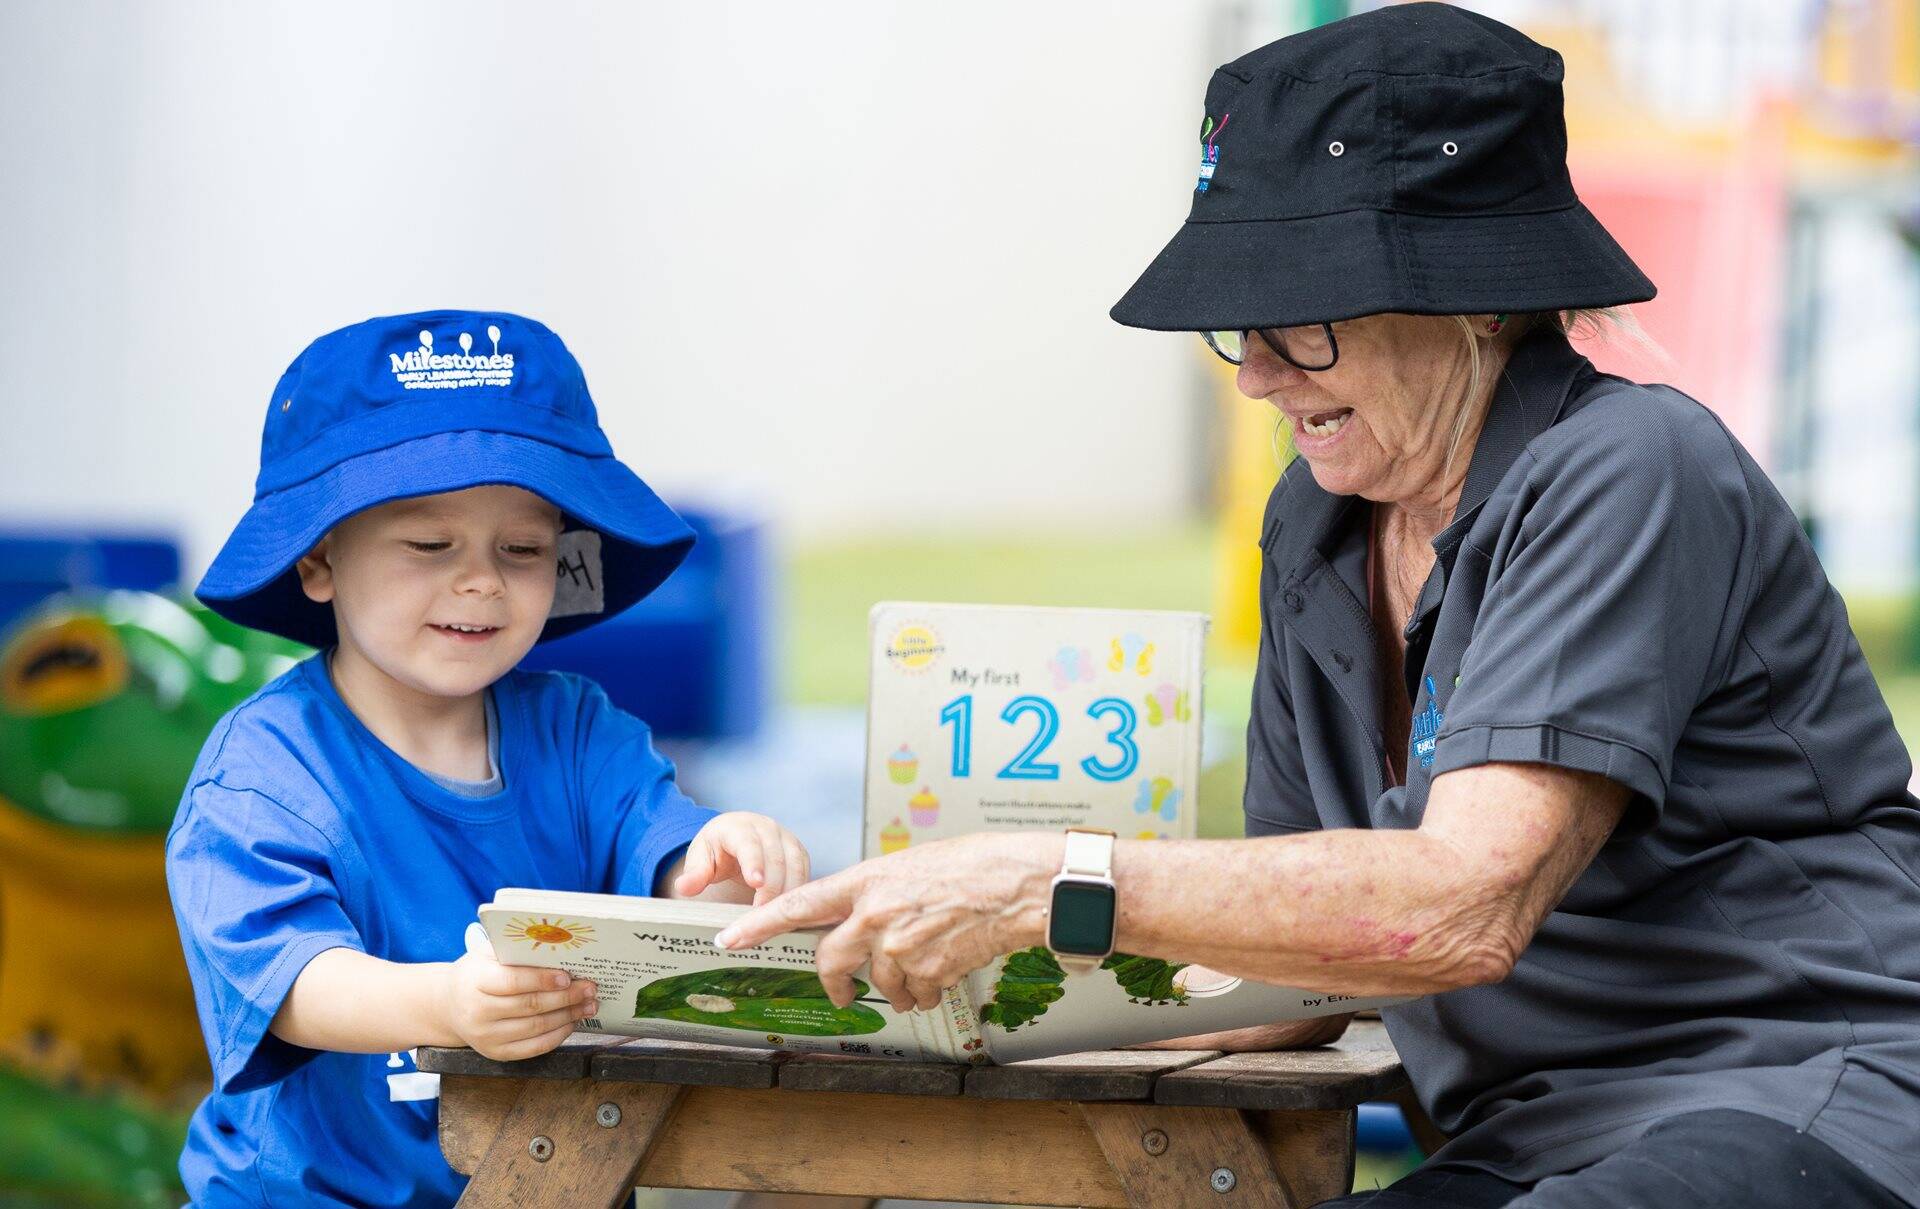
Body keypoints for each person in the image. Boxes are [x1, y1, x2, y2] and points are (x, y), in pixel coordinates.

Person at [717, 7, 1920, 1206]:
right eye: (1244, 326)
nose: (1255, 375)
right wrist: (927, 990)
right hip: (1541, 1136)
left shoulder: (1630, 462)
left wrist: (1044, 883)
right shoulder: (1317, 517)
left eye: (1304, 321)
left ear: (1480, 302)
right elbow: (1304, 955)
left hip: (1804, 1096)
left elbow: (1463, 906)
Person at [167, 310, 812, 1207]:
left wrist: (724, 857)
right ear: (319, 559)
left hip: (568, 1177)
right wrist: (448, 1005)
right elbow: (290, 982)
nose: (482, 581)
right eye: (430, 545)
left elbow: (670, 859)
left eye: (524, 548)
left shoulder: (579, 732)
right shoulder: (263, 774)